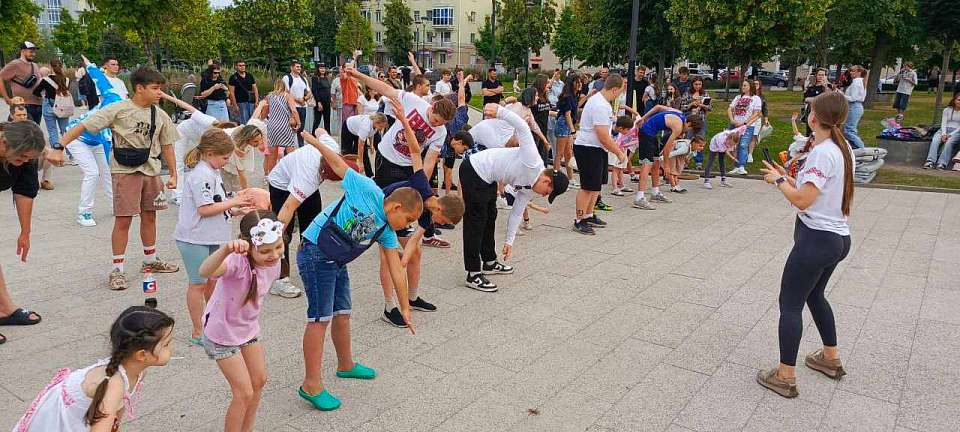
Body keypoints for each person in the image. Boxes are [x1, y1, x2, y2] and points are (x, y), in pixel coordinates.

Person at [296, 129, 422, 411]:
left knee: (343, 313)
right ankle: (311, 384)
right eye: (409, 218)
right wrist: (313, 140)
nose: (408, 224)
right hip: (316, 251)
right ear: (398, 206)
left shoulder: (386, 230)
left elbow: (396, 268)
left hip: (335, 260)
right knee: (320, 318)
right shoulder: (368, 189)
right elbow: (339, 163)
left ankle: (345, 364)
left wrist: (405, 307)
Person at [756, 91, 854, 398]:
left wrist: (779, 182)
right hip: (837, 237)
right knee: (816, 296)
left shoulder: (823, 151)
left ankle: (785, 376)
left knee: (790, 304)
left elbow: (803, 200)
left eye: (810, 109)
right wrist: (787, 176)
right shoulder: (842, 146)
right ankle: (830, 358)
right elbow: (818, 193)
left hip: (817, 240)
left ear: (814, 117)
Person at [57, 67, 180, 291]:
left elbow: (168, 145)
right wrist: (59, 147)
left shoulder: (160, 114)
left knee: (150, 217)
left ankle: (150, 259)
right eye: (154, 88)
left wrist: (173, 174)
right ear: (139, 88)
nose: (159, 93)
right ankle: (117, 269)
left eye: (160, 88)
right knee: (123, 220)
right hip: (125, 172)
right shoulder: (118, 109)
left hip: (151, 171)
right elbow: (82, 126)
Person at [460, 103, 569, 291]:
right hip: (474, 169)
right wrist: (500, 112)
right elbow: (523, 128)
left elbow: (516, 213)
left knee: (490, 216)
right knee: (475, 221)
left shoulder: (531, 188)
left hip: (489, 177)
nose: (543, 195)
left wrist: (509, 242)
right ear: (547, 180)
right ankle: (473, 273)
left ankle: (489, 261)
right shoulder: (532, 160)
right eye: (547, 193)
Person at [11, 306, 175, 431]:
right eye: (166, 344)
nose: (171, 347)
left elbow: (114, 415)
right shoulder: (114, 384)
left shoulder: (132, 372)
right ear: (142, 355)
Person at [377, 96, 465, 326]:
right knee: (387, 257)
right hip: (385, 209)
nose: (438, 223)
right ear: (439, 208)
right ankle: (389, 307)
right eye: (441, 220)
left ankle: (412, 297)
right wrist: (405, 122)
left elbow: (415, 241)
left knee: (414, 253)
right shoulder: (420, 186)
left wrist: (402, 262)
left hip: (401, 214)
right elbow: (416, 154)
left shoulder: (427, 218)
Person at [197, 210, 282, 432]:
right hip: (221, 334)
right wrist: (225, 249)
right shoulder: (237, 262)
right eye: (265, 251)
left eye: (278, 247)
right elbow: (204, 270)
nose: (273, 255)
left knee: (259, 380)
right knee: (243, 392)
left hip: (248, 328)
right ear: (248, 246)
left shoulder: (274, 262)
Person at [175, 128, 255, 345]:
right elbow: (205, 208)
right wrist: (235, 203)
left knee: (212, 280)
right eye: (225, 157)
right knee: (198, 283)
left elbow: (217, 202)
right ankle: (198, 330)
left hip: (210, 235)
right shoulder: (201, 174)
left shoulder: (211, 171)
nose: (226, 161)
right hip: (195, 237)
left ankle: (212, 321)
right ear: (210, 153)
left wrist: (235, 209)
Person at [268, 131, 341, 299]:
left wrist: (312, 140)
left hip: (302, 179)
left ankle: (312, 265)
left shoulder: (331, 147)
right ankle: (280, 278)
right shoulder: (307, 178)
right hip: (281, 185)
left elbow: (320, 131)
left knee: (313, 227)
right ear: (323, 174)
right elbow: (287, 208)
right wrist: (274, 236)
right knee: (284, 234)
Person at [0, 121, 46, 345]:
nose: (25, 162)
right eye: (21, 158)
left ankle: (3, 308)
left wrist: (25, 232)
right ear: (4, 142)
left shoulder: (25, 153)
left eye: (29, 158)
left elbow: (25, 191)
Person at [572, 74, 627, 235]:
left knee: (596, 185)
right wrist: (619, 152)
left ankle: (589, 214)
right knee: (587, 186)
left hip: (597, 149)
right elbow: (602, 135)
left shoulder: (603, 103)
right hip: (588, 148)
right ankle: (579, 219)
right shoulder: (600, 105)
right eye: (620, 91)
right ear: (615, 89)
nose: (620, 95)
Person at [631, 105, 704, 209]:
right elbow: (667, 149)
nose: (687, 131)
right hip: (646, 133)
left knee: (656, 164)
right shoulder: (678, 126)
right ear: (689, 124)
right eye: (690, 129)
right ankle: (639, 198)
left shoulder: (679, 113)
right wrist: (666, 166)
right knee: (647, 165)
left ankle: (655, 193)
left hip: (652, 134)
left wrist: (644, 118)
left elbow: (658, 107)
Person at [263, 77, 300, 175]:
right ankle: (292, 174)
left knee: (272, 155)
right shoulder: (287, 96)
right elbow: (294, 110)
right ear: (284, 86)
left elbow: (263, 115)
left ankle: (272, 176)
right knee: (290, 152)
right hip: (285, 126)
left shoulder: (269, 97)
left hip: (272, 127)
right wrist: (298, 122)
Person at [0, 42, 42, 124]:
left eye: (34, 52)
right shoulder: (15, 64)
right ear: (22, 51)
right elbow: (0, 77)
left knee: (34, 132)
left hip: (38, 105)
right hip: (22, 106)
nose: (33, 54)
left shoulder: (35, 65)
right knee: (25, 133)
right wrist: (6, 98)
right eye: (31, 51)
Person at [726, 80, 762, 175]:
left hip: (748, 126)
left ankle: (742, 166)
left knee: (743, 145)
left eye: (745, 85)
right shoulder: (738, 97)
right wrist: (732, 120)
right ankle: (736, 166)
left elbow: (757, 113)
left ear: (750, 86)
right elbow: (730, 109)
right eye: (742, 85)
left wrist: (746, 123)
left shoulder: (756, 98)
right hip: (735, 124)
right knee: (734, 145)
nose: (743, 87)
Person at [555, 74, 581, 188]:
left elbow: (576, 106)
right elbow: (567, 114)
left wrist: (589, 95)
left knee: (568, 153)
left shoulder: (573, 96)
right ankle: (555, 178)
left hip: (567, 125)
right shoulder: (568, 96)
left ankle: (570, 179)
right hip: (564, 124)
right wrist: (573, 130)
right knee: (560, 153)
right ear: (572, 84)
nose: (580, 84)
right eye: (577, 82)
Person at [345, 111, 389, 177]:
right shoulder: (366, 126)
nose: (381, 129)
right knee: (347, 153)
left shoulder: (375, 124)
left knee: (365, 154)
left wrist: (371, 145)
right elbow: (361, 146)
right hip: (348, 127)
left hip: (358, 130)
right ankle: (346, 175)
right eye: (381, 126)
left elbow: (371, 133)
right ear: (377, 122)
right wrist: (360, 162)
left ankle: (370, 176)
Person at [680, 77, 711, 169]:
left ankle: (699, 162)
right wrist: (691, 105)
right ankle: (685, 161)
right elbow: (682, 107)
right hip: (690, 120)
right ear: (692, 84)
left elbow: (709, 108)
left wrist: (702, 105)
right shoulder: (687, 94)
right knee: (688, 140)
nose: (697, 86)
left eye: (699, 84)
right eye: (696, 84)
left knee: (700, 140)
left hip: (701, 120)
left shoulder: (705, 94)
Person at [925, 90, 960, 170]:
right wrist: (944, 134)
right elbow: (943, 123)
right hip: (943, 130)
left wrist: (950, 135)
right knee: (935, 140)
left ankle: (942, 163)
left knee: (949, 142)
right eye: (958, 100)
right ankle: (930, 161)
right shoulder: (947, 110)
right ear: (954, 100)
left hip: (956, 132)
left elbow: (959, 128)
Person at [609, 115, 638, 196]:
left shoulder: (621, 132)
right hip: (617, 152)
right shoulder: (614, 133)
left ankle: (621, 185)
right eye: (627, 129)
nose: (629, 131)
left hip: (623, 151)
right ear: (621, 128)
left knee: (621, 169)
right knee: (616, 169)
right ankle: (615, 188)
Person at [285, 61, 312, 146]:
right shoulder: (287, 78)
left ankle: (301, 146)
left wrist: (304, 98)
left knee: (301, 128)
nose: (299, 68)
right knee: (291, 127)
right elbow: (287, 92)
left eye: (300, 67)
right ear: (292, 67)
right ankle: (289, 146)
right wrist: (297, 100)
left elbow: (309, 91)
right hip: (292, 107)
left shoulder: (303, 78)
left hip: (303, 107)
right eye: (297, 67)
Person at [842, 65, 867, 150]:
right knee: (849, 129)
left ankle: (862, 149)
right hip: (856, 106)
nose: (851, 72)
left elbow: (853, 98)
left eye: (853, 71)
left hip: (854, 106)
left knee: (849, 130)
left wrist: (842, 95)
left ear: (859, 72)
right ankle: (855, 148)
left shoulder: (856, 82)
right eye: (850, 71)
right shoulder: (860, 81)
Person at [228, 60, 259, 124]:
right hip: (241, 102)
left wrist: (256, 101)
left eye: (243, 65)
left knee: (254, 121)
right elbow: (231, 92)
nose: (242, 67)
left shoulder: (249, 76)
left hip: (251, 102)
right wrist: (235, 105)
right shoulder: (233, 78)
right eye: (240, 65)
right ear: (236, 67)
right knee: (244, 122)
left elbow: (255, 89)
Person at [802, 68, 831, 135]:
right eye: (819, 75)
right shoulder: (811, 87)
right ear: (816, 76)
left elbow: (829, 97)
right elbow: (805, 99)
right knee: (810, 131)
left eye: (823, 75)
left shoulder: (829, 87)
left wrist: (825, 87)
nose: (821, 77)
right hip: (812, 111)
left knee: (822, 130)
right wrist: (818, 99)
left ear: (826, 76)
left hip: (824, 112)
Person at [310, 63, 333, 132]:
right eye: (321, 68)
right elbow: (314, 90)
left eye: (324, 68)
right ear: (318, 69)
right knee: (317, 120)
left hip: (327, 102)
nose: (323, 69)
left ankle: (328, 135)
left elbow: (328, 89)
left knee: (327, 120)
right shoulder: (315, 78)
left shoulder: (327, 78)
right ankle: (313, 134)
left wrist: (331, 98)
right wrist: (318, 102)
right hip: (320, 102)